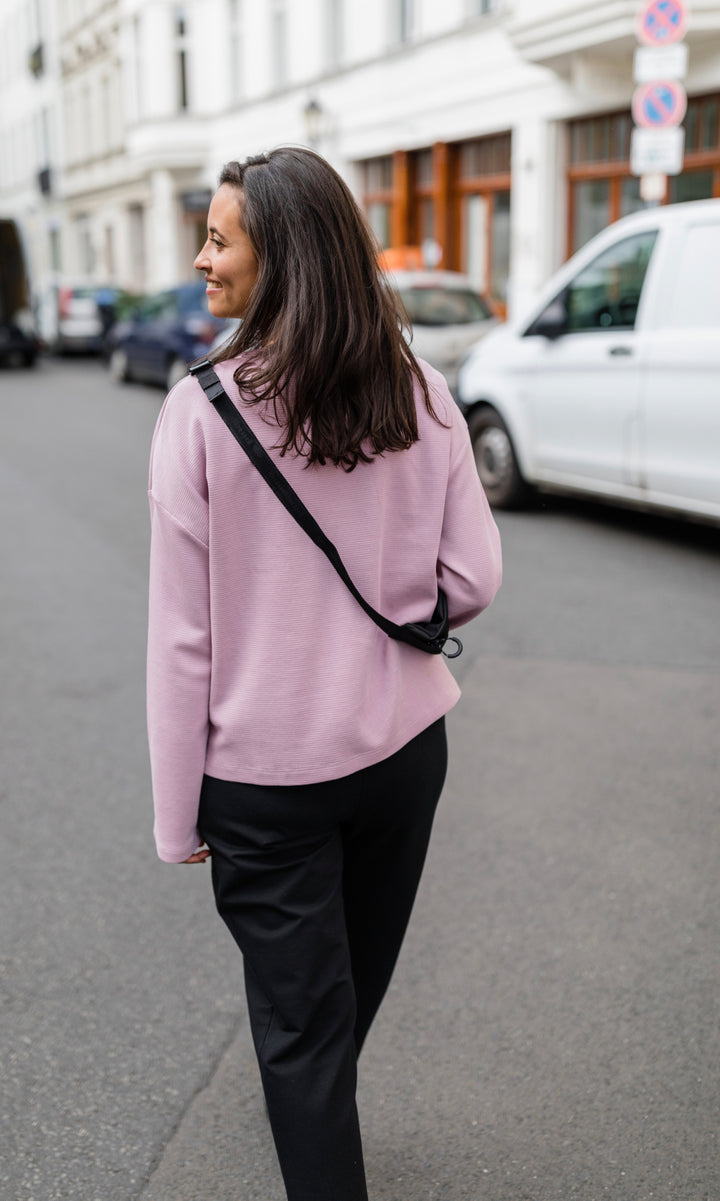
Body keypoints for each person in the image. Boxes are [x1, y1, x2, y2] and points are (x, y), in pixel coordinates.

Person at [146, 146, 502, 1201]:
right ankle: (317, 1120)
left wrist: (179, 817)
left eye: (219, 239)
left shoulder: (201, 412)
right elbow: (473, 576)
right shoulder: (421, 388)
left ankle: (314, 1131)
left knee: (301, 1030)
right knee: (341, 1005)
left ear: (283, 258)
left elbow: (181, 640)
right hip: (400, 753)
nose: (201, 259)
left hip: (265, 782)